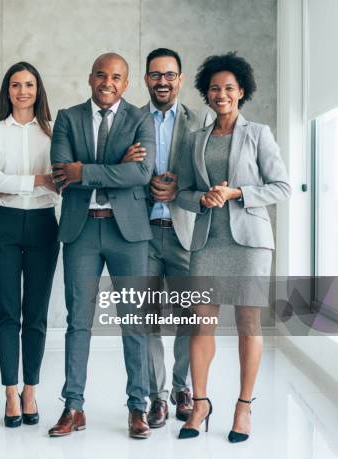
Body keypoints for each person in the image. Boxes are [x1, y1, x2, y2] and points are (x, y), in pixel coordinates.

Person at [175, 52, 290, 442]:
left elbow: (282, 187)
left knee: (248, 323)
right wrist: (202, 199)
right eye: (214, 88)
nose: (221, 94)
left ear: (241, 92)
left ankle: (243, 406)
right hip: (208, 241)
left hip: (250, 244)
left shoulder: (259, 134)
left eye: (228, 88)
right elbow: (183, 193)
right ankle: (201, 403)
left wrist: (238, 192)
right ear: (206, 95)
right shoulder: (194, 141)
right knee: (200, 324)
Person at [48, 52, 156, 439]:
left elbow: (142, 173)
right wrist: (117, 165)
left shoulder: (141, 118)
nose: (107, 82)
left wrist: (88, 170)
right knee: (78, 322)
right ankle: (73, 407)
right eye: (100, 75)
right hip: (81, 232)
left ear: (126, 83)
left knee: (135, 323)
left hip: (128, 233)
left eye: (116, 77)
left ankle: (137, 408)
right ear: (90, 78)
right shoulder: (67, 117)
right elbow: (63, 175)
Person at [0, 62, 60, 428]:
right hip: (4, 225)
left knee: (37, 314)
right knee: (7, 313)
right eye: (16, 85)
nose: (23, 91)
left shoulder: (53, 131)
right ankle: (10, 392)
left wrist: (24, 182)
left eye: (29, 84)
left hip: (45, 225)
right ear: (7, 91)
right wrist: (38, 180)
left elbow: (58, 180)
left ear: (38, 89)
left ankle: (31, 388)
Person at [138, 48, 210, 428]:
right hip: (142, 234)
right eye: (155, 74)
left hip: (185, 232)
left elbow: (207, 177)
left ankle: (183, 388)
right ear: (146, 79)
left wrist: (179, 186)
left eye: (169, 74)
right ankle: (157, 397)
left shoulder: (200, 123)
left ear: (180, 80)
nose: (162, 81)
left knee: (190, 316)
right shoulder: (131, 121)